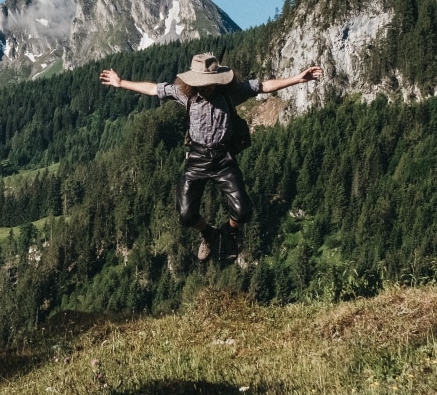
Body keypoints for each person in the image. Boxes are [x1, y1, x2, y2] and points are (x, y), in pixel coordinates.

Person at [100, 52, 322, 262]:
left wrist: (298, 79)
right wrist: (122, 83)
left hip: (223, 159)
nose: (205, 88)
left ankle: (228, 232)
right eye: (200, 84)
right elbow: (153, 89)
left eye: (209, 83)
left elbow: (263, 86)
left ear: (218, 80)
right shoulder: (184, 94)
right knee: (186, 214)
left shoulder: (230, 93)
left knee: (243, 211)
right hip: (196, 159)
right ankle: (208, 234)